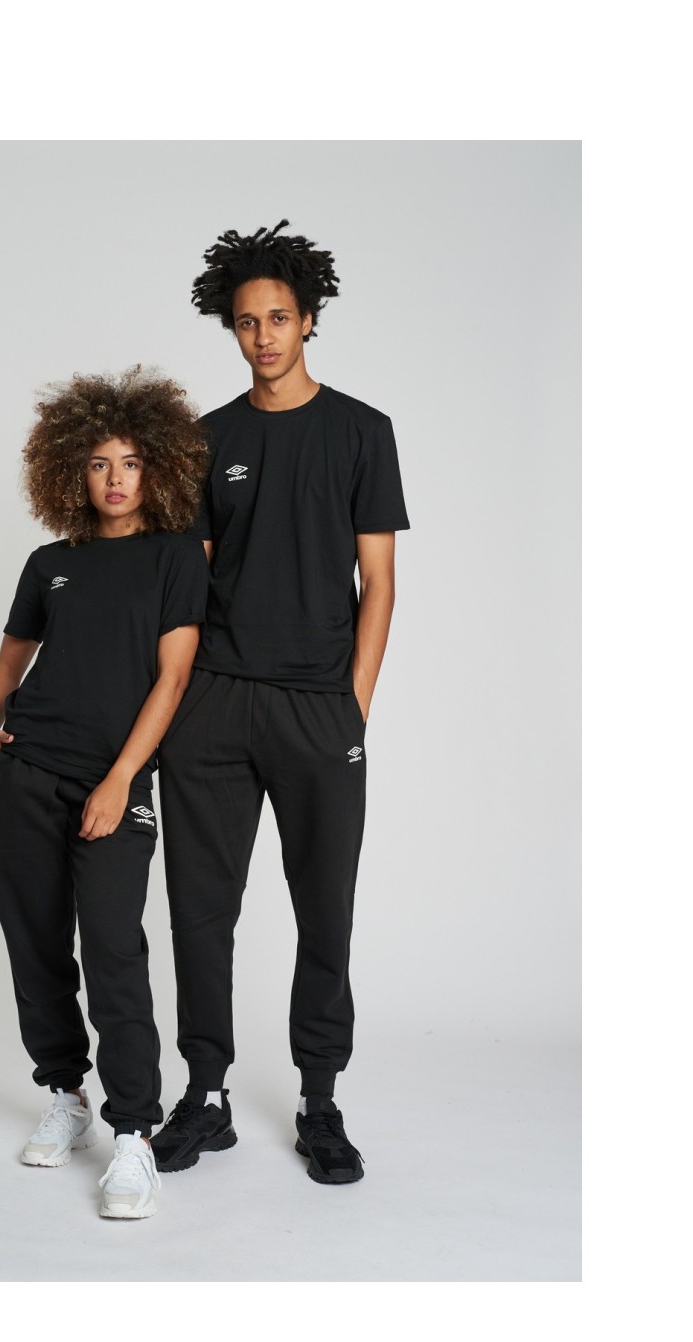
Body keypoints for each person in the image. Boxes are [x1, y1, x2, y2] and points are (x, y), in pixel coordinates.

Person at [152, 221, 410, 1185]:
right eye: (246, 322)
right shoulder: (206, 439)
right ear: (232, 328)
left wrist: (353, 704)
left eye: (277, 318)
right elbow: (188, 584)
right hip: (214, 705)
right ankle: (205, 1095)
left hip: (317, 709)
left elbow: (379, 583)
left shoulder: (361, 432)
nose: (261, 336)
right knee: (199, 911)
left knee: (324, 912)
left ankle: (319, 1100)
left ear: (308, 321)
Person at [0, 367, 209, 1219]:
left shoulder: (176, 557)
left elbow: (173, 678)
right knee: (35, 941)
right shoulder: (50, 563)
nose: (115, 478)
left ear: (158, 470)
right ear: (72, 469)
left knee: (113, 949)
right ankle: (66, 1093)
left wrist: (119, 780)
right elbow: (10, 660)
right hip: (29, 772)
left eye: (131, 463)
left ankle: (135, 1133)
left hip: (114, 778)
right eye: (100, 463)